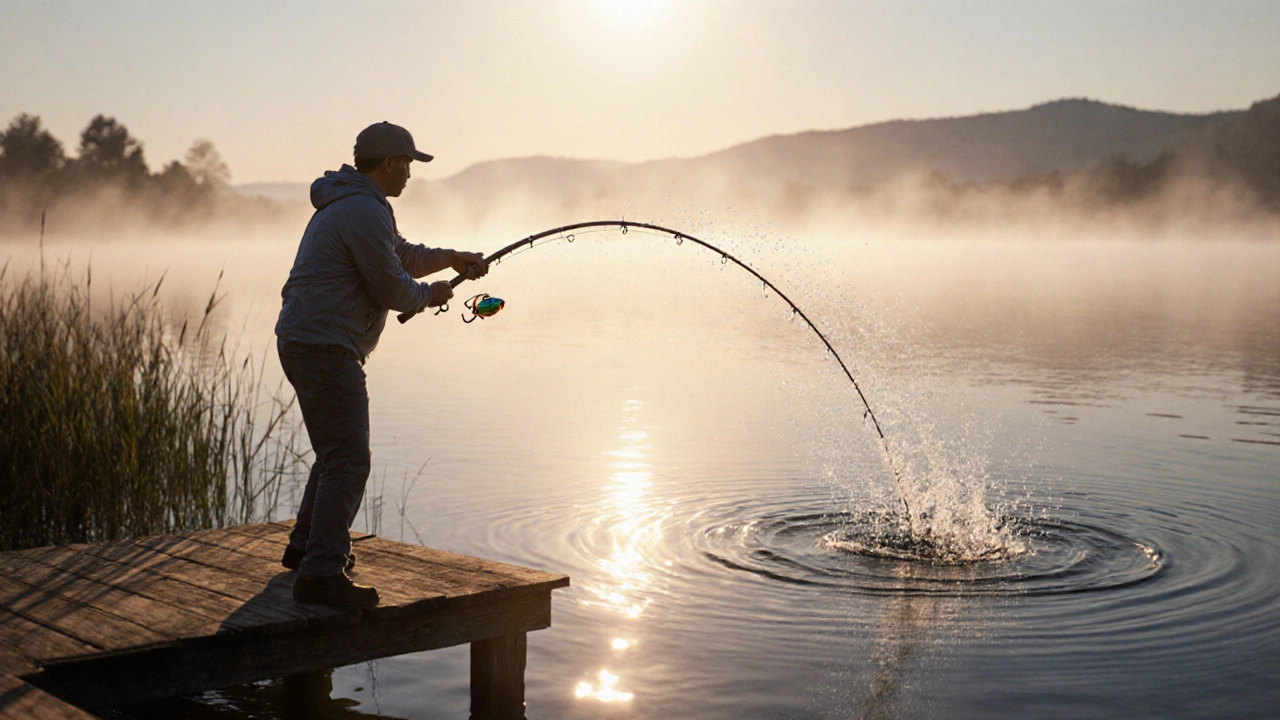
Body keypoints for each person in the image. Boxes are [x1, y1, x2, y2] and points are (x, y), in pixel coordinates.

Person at [275, 121, 487, 610]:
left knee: (335, 453)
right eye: (409, 163)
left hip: (306, 339)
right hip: (323, 344)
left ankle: (306, 549)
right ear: (389, 163)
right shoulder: (362, 210)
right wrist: (429, 296)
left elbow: (402, 256)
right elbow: (392, 288)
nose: (412, 173)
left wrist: (453, 258)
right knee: (349, 458)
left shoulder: (358, 205)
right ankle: (321, 573)